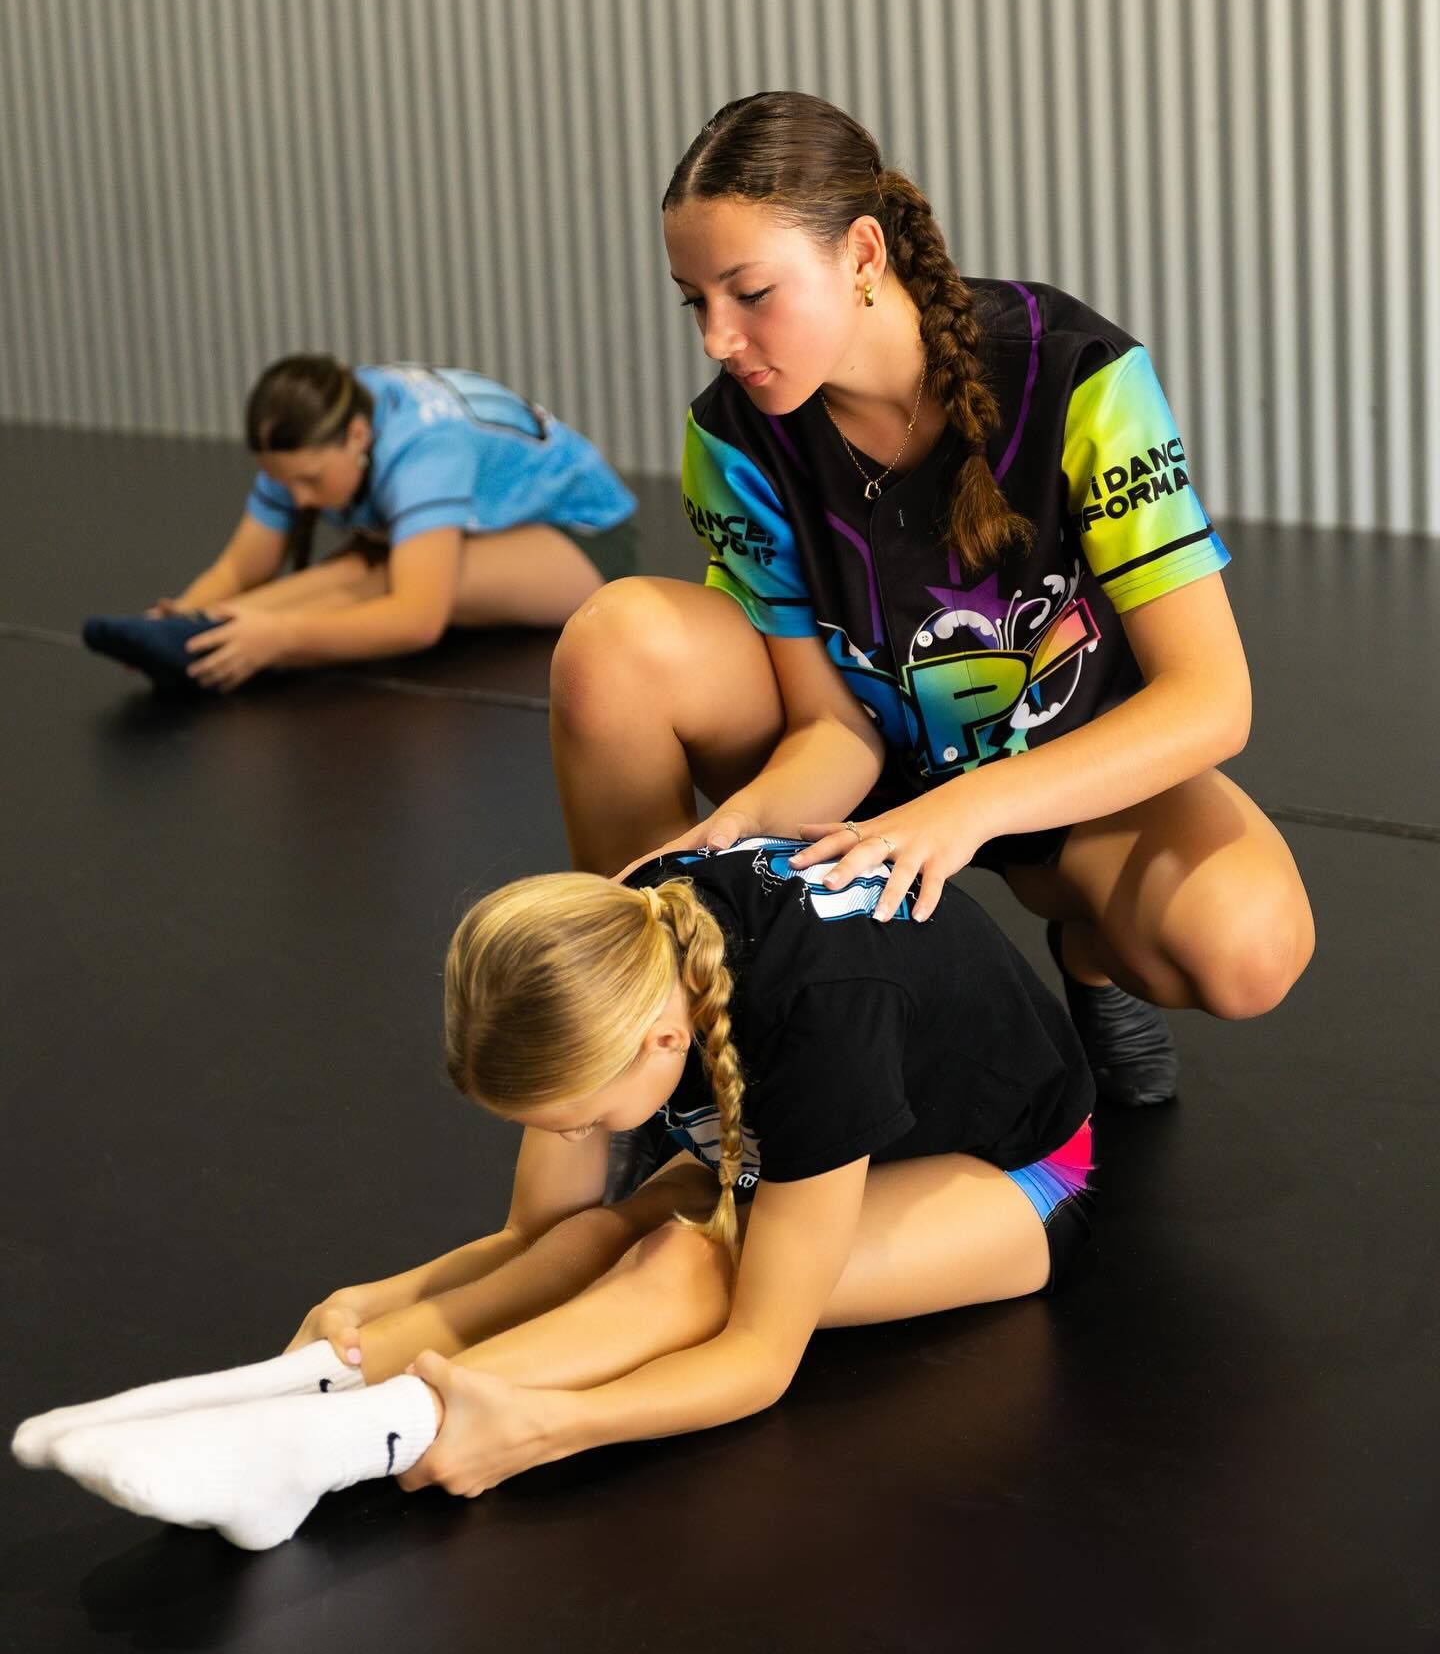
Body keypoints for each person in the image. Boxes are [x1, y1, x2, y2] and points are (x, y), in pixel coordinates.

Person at [548, 91, 1315, 1106]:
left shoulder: (1081, 375)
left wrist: (967, 813)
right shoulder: (733, 437)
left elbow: (1213, 700)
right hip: (865, 777)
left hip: (1056, 761)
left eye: (750, 293)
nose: (718, 340)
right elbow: (828, 723)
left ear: (862, 255)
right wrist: (726, 832)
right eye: (696, 301)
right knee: (615, 639)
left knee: (1247, 949)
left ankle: (1082, 951)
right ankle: (652, 1034)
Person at [14, 838, 1094, 1549]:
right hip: (810, 1130)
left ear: (664, 1042)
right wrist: (383, 1302)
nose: (571, 1138)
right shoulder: (626, 933)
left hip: (1014, 1177)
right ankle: (288, 1387)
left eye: (578, 1118)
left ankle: (349, 1447)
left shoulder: (823, 1024)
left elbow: (762, 1359)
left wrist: (545, 1426)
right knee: (610, 1236)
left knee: (686, 1266)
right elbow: (547, 1231)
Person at [82, 355, 638, 692]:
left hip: (584, 539)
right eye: (285, 483)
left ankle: (210, 641)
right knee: (355, 568)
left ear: (355, 438)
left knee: (379, 579)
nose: (299, 500)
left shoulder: (424, 450)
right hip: (493, 527)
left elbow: (417, 618)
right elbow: (242, 564)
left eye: (311, 481)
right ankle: (197, 634)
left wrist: (277, 640)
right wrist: (186, 608)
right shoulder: (320, 425)